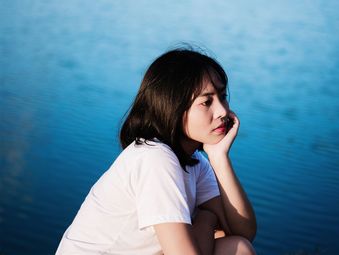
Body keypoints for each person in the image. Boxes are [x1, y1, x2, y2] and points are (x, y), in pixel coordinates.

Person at [56, 47, 257, 255]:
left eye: (223, 97)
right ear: (174, 107)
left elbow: (243, 232)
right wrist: (207, 220)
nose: (223, 111)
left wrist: (219, 157)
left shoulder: (194, 162)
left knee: (237, 249)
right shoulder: (155, 159)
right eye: (206, 102)